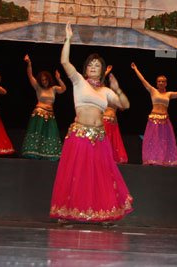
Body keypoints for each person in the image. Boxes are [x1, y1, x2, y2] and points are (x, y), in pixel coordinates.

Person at [50, 23, 133, 223]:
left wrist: (117, 89)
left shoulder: (106, 91)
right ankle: (67, 213)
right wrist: (68, 39)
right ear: (86, 69)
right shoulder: (79, 81)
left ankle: (104, 212)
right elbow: (64, 61)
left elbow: (125, 105)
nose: (93, 67)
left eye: (97, 65)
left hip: (100, 138)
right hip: (80, 135)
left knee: (101, 176)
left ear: (102, 70)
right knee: (76, 174)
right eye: (90, 65)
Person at [131, 63, 177, 166]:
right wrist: (135, 69)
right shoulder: (153, 91)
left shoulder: (169, 94)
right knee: (153, 140)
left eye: (163, 81)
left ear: (166, 83)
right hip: (153, 119)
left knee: (165, 140)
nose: (161, 83)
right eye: (159, 81)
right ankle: (152, 159)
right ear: (156, 83)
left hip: (165, 120)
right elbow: (143, 80)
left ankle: (165, 160)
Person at [21, 54, 66, 161]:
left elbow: (63, 89)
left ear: (49, 79)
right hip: (39, 112)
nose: (44, 82)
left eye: (45, 80)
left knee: (49, 133)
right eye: (42, 80)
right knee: (38, 132)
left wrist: (59, 79)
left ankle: (48, 153)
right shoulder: (38, 87)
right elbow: (30, 75)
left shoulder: (54, 88)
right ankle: (34, 153)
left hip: (50, 114)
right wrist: (29, 63)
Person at [102, 65, 129, 164]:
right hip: (104, 120)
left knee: (112, 141)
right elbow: (98, 82)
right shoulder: (105, 92)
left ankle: (110, 158)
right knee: (104, 139)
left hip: (113, 121)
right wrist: (106, 72)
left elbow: (123, 107)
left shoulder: (118, 97)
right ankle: (103, 157)